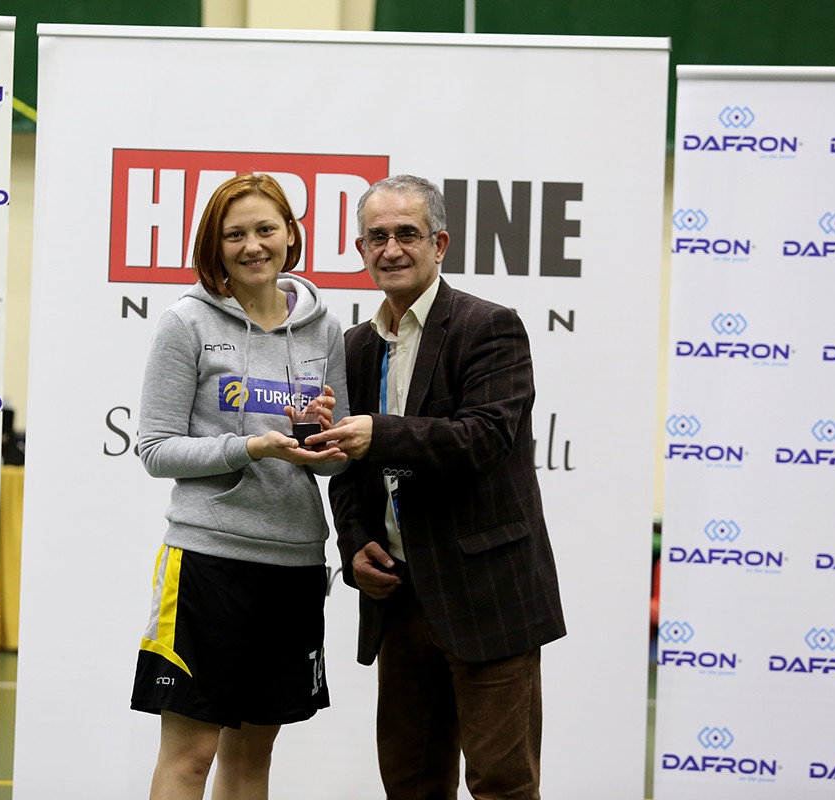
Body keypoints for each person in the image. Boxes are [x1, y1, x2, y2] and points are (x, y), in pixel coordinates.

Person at [306, 175, 566, 799]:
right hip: (398, 596)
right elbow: (346, 466)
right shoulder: (354, 347)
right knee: (410, 785)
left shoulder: (490, 327)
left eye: (408, 233)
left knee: (503, 784)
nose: (391, 249)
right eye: (377, 237)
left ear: (439, 243)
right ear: (361, 249)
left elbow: (484, 438)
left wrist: (380, 434)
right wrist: (355, 543)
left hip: (487, 595)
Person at [131, 173, 350, 800]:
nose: (253, 245)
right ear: (215, 245)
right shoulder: (187, 322)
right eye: (235, 235)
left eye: (265, 229)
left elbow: (333, 464)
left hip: (295, 564)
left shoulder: (324, 329)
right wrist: (250, 446)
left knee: (253, 759)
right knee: (190, 756)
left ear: (290, 235)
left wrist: (323, 439)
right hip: (209, 562)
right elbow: (155, 450)